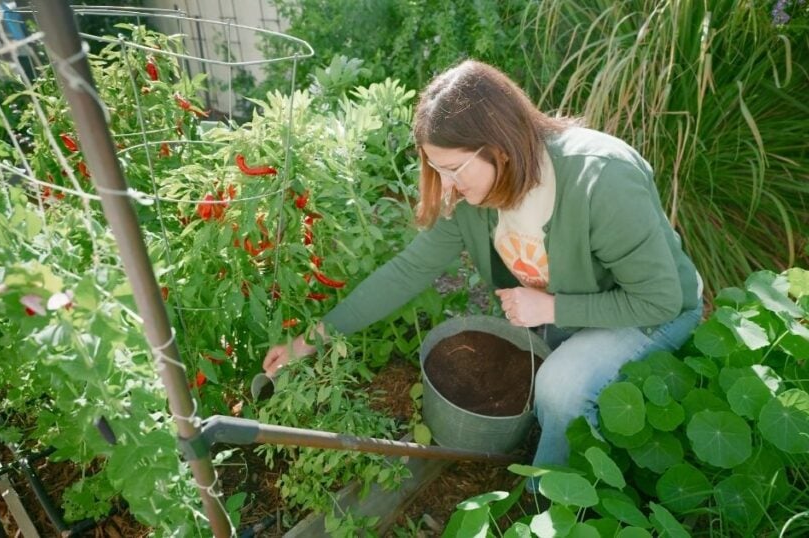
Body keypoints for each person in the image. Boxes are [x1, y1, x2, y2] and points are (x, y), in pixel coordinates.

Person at [264, 60, 703, 480]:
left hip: (654, 314)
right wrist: (312, 339)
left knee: (559, 388)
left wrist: (551, 308)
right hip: (571, 312)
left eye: (453, 169)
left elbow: (657, 299)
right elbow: (407, 271)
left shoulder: (601, 179)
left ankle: (551, 500)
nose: (447, 185)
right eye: (437, 169)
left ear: (499, 148)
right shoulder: (474, 197)